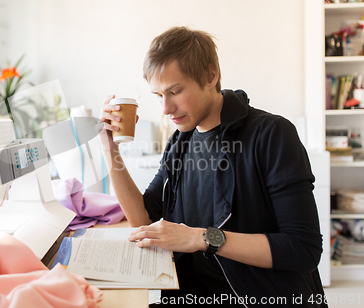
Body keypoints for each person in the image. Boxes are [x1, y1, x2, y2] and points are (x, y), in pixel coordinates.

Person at [99, 26, 327, 307]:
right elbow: (144, 219)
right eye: (158, 95)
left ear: (210, 76)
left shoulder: (271, 134)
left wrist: (202, 238)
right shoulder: (179, 143)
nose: (165, 109)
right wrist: (110, 150)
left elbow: (303, 249)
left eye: (175, 91)